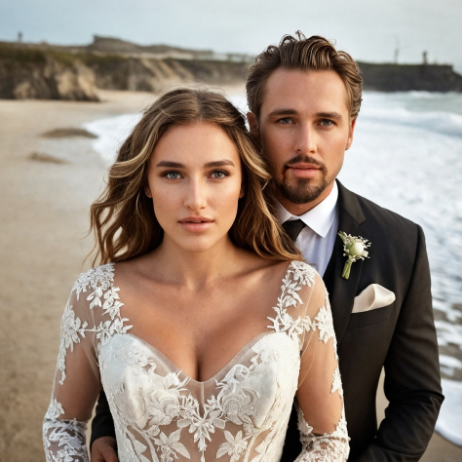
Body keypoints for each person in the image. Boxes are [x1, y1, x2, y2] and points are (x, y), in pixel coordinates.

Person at [90, 34, 444, 462]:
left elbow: (418, 395)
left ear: (350, 131)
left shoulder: (401, 243)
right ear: (254, 127)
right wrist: (106, 430)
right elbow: (132, 330)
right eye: (285, 120)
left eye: (326, 122)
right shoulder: (201, 220)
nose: (306, 144)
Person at [43, 88, 350, 462]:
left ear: (242, 183)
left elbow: (327, 441)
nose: (196, 199)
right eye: (173, 174)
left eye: (217, 173)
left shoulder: (298, 288)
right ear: (146, 183)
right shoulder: (95, 295)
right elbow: (64, 426)